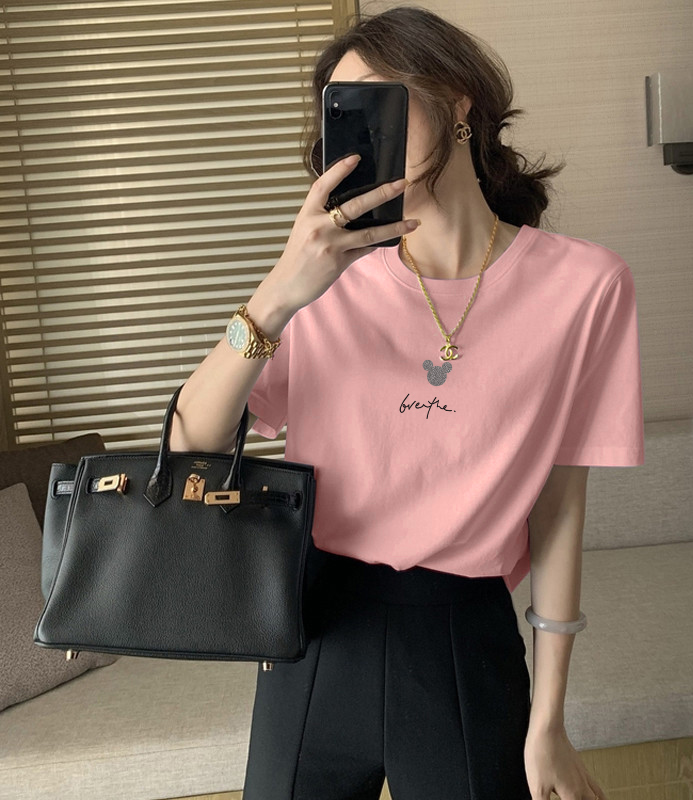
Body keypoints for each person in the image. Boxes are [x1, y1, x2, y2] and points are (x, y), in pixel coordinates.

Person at [169, 6, 644, 800]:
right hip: (313, 631)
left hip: (464, 641)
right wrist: (278, 293)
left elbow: (560, 504)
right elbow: (192, 444)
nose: (360, 131)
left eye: (378, 101)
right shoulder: (322, 284)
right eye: (341, 111)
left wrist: (550, 719)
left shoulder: (586, 287)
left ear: (458, 101)